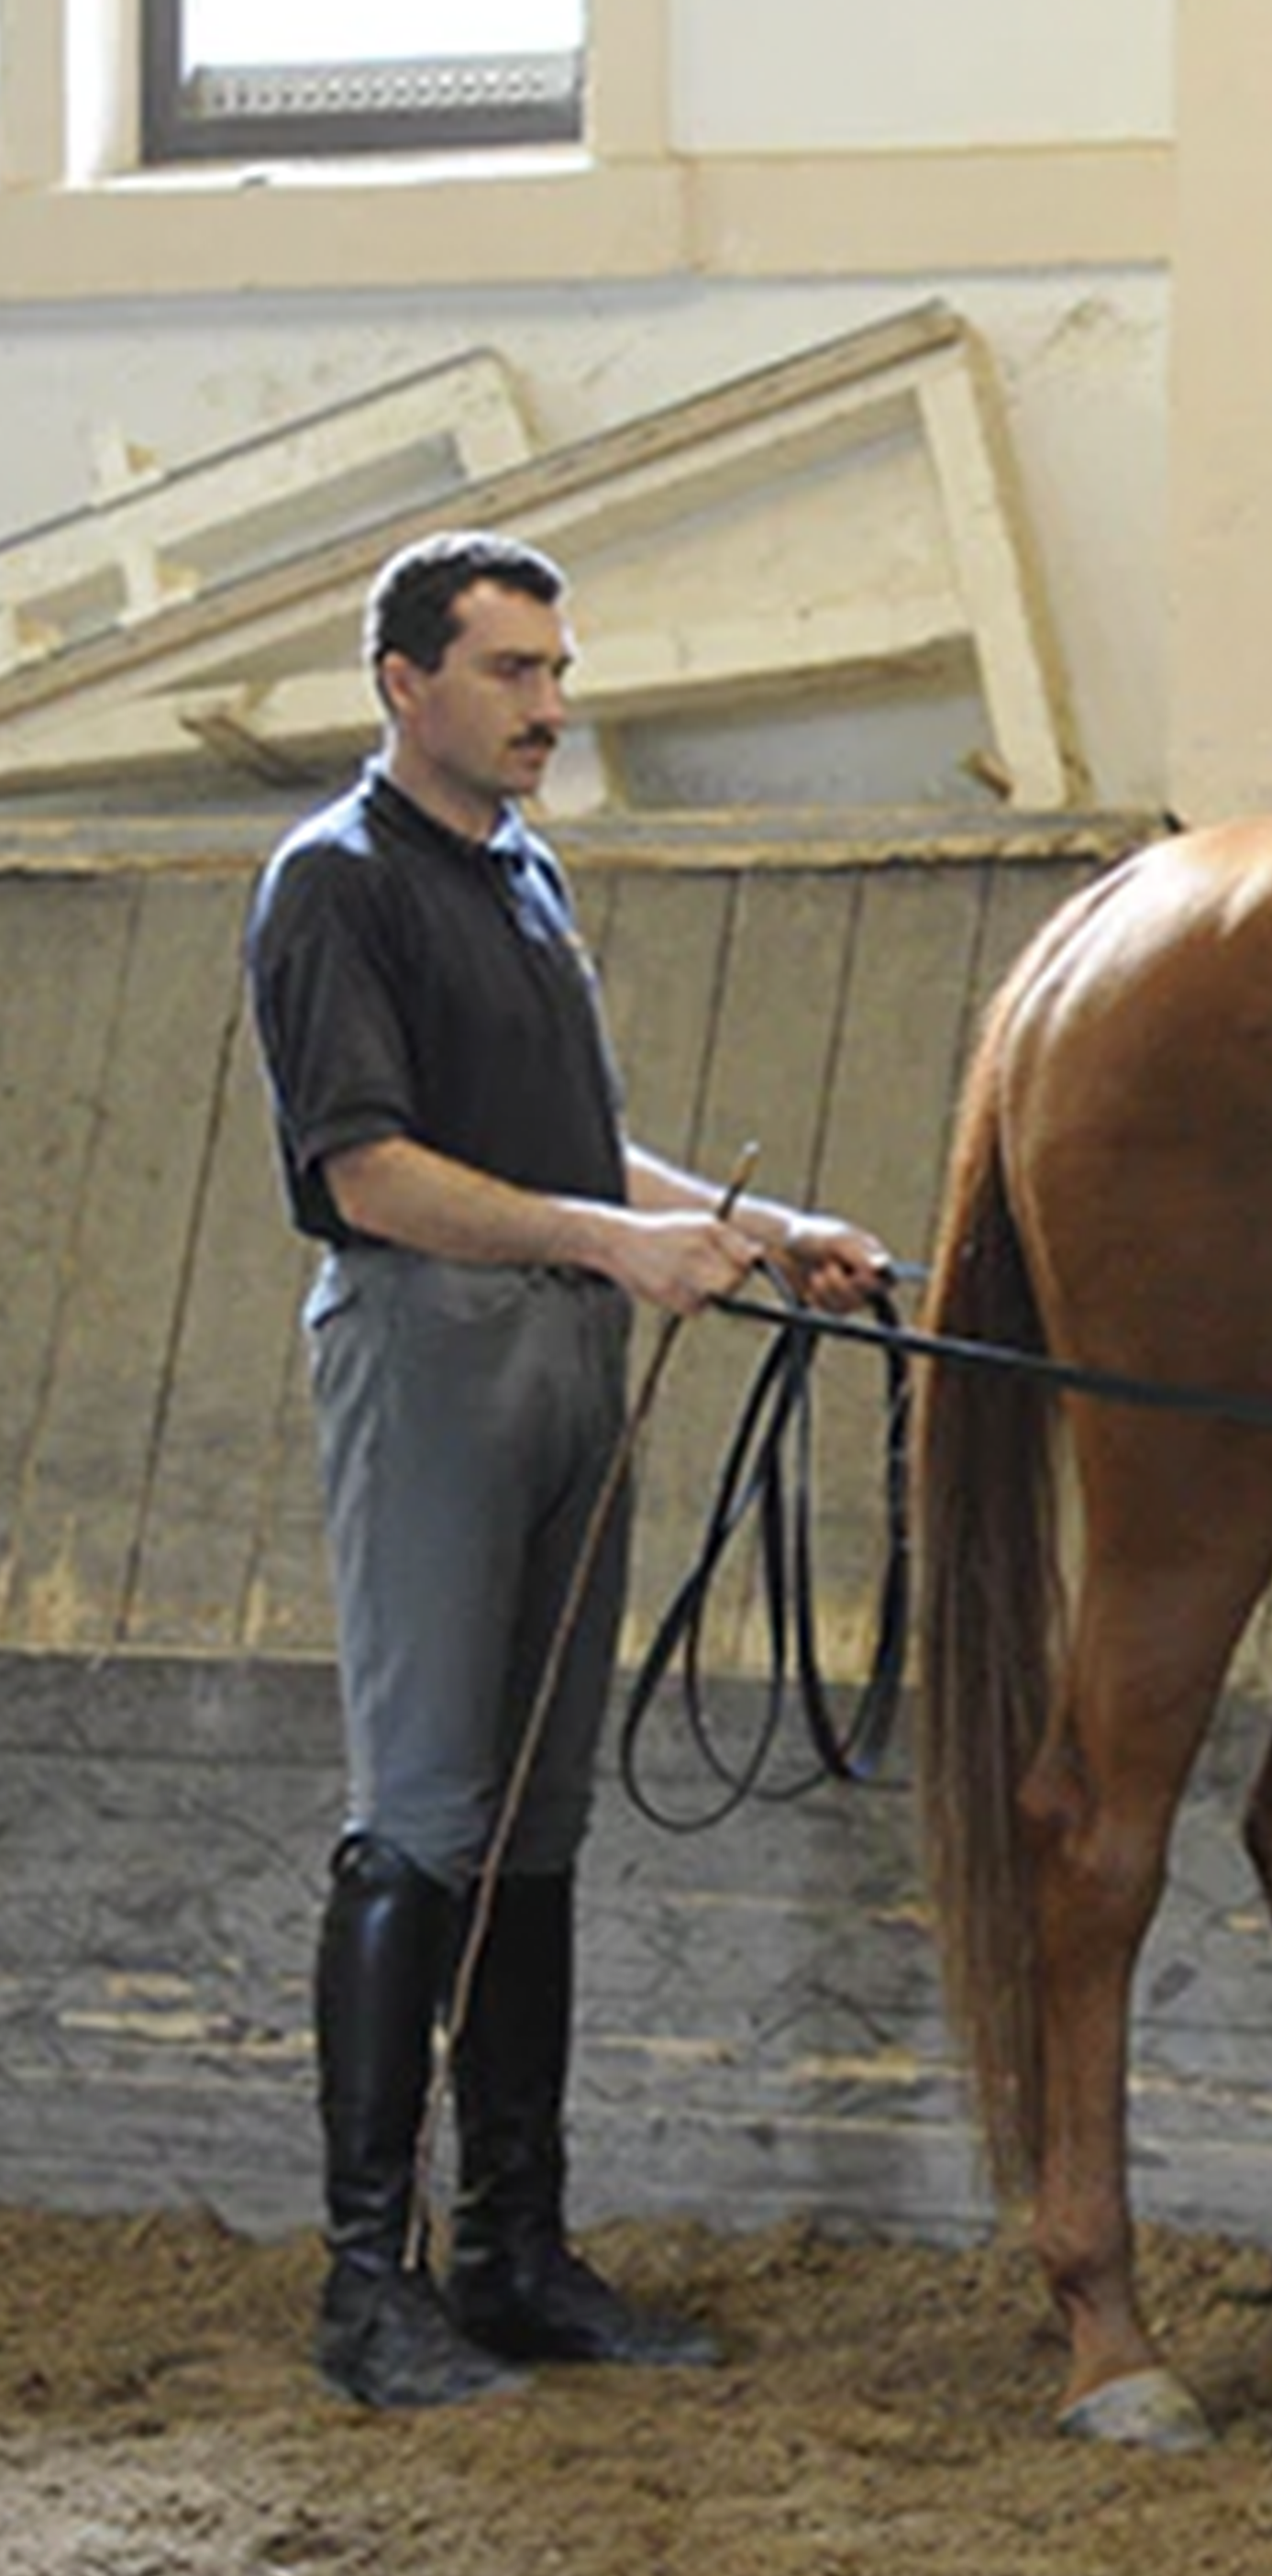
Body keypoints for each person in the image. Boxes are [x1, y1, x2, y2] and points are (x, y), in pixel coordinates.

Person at [244, 531, 893, 2410]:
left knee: (535, 1817)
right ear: (405, 683)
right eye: (512, 672)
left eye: (556, 671)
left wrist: (761, 1229)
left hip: (559, 1352)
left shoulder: (520, 872)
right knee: (424, 1811)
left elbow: (569, 1141)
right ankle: (368, 2280)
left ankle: (512, 2248)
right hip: (433, 1352)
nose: (550, 706)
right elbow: (371, 1172)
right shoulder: (335, 885)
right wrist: (613, 1244)